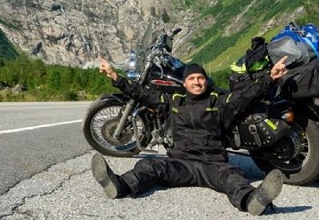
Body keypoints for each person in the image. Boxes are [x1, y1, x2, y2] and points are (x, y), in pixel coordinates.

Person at [92, 55, 290, 216]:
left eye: (200, 78)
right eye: (192, 79)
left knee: (233, 176)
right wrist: (115, 77)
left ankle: (252, 200)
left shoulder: (219, 101)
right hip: (181, 163)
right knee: (151, 165)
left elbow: (248, 94)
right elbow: (142, 94)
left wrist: (270, 77)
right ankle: (120, 185)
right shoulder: (173, 102)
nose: (197, 82)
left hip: (213, 164)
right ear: (184, 83)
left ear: (205, 81)